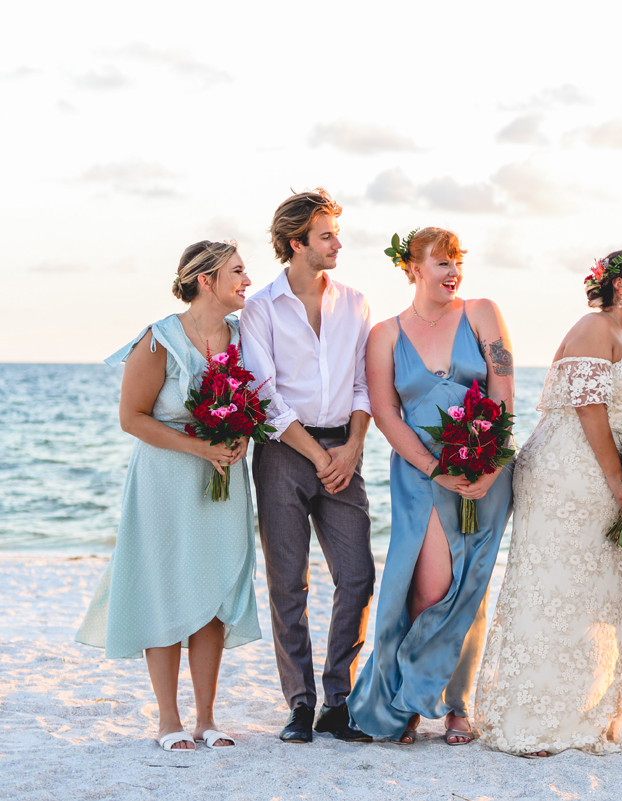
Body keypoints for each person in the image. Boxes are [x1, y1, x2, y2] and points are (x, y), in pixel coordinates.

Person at [474, 247, 622, 756]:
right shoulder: (593, 327)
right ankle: (534, 717)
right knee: (552, 587)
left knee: (596, 592)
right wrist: (619, 478)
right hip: (568, 475)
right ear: (619, 285)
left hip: (612, 480)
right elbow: (588, 407)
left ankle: (585, 709)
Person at [76, 240, 261, 751]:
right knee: (165, 586)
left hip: (223, 481)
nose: (247, 281)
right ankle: (167, 720)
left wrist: (242, 435)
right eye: (238, 272)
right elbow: (131, 417)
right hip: (165, 480)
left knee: (215, 588)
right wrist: (201, 447)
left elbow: (258, 399)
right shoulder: (159, 340)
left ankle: (206, 718)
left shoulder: (245, 337)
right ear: (206, 280)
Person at [346, 228, 514, 745]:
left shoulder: (481, 312)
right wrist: (434, 468)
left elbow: (503, 388)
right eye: (441, 263)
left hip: (486, 466)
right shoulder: (385, 334)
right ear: (413, 268)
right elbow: (385, 413)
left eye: (456, 262)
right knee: (430, 588)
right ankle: (414, 696)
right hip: (422, 475)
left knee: (472, 586)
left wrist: (490, 462)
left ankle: (457, 706)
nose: (452, 272)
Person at [239, 189, 375, 744]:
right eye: (325, 236)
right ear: (296, 244)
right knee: (287, 584)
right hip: (283, 455)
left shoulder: (355, 303)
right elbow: (264, 395)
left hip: (344, 450)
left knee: (358, 576)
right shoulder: (260, 308)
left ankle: (337, 701)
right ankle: (300, 703)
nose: (337, 244)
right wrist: (320, 456)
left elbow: (367, 382)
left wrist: (352, 448)